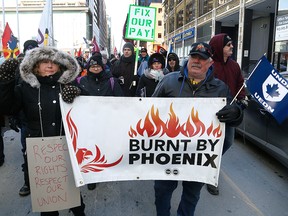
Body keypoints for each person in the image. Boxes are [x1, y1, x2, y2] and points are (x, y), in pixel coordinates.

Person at [152, 42, 243, 216]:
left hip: (198, 157)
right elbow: (148, 110)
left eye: (202, 58)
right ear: (188, 59)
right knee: (162, 191)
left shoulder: (220, 89)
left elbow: (234, 121)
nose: (196, 61)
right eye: (194, 56)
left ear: (210, 63)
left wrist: (236, 112)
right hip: (167, 153)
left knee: (191, 195)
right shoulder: (168, 81)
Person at [0, 47, 86, 216]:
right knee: (48, 205)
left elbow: (90, 108)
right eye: (45, 62)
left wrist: (79, 93)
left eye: (54, 62)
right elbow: (7, 107)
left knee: (74, 198)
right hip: (40, 154)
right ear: (35, 66)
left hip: (66, 149)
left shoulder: (67, 85)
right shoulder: (25, 88)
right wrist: (5, 82)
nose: (50, 65)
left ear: (61, 66)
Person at [71, 53, 123, 191]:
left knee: (106, 148)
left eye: (98, 65)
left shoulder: (111, 81)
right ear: (88, 67)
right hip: (87, 124)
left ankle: (106, 171)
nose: (95, 68)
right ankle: (92, 177)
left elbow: (121, 101)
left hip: (107, 123)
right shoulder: (80, 81)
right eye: (92, 65)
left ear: (102, 67)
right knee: (90, 150)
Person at [207, 33, 247, 195]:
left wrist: (242, 99)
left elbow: (240, 85)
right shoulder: (209, 65)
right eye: (227, 44)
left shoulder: (234, 66)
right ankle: (210, 176)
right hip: (210, 114)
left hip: (229, 113)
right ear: (218, 47)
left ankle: (211, 164)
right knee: (209, 144)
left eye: (231, 44)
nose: (231, 47)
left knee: (228, 142)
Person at [7, 39, 39, 196]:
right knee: (28, 152)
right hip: (27, 121)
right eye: (28, 49)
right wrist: (13, 115)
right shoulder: (19, 72)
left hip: (48, 119)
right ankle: (28, 182)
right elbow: (13, 96)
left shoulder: (47, 67)